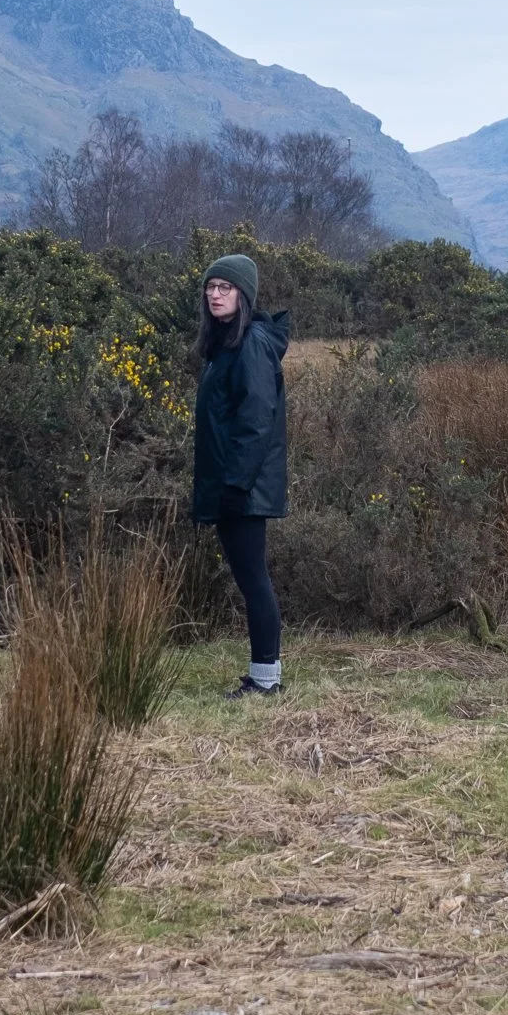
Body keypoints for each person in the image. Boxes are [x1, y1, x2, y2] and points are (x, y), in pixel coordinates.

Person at [191, 252, 289, 698]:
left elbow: (256, 423)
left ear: (243, 295)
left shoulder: (250, 344)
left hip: (243, 489)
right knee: (251, 579)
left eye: (225, 287)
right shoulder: (225, 344)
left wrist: (235, 486)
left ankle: (266, 680)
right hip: (233, 486)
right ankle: (264, 675)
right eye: (211, 287)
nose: (215, 294)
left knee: (254, 581)